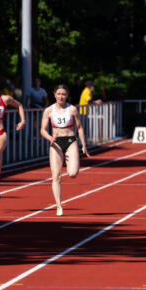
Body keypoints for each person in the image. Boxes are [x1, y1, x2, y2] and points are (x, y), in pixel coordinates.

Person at [40, 85, 90, 216]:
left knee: (72, 173)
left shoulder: (72, 109)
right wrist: (49, 137)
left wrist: (83, 145)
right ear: (54, 94)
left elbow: (79, 127)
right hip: (55, 143)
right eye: (59, 94)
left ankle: (70, 163)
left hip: (70, 141)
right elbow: (42, 130)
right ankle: (59, 206)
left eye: (63, 94)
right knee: (56, 176)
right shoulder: (49, 110)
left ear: (67, 96)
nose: (61, 96)